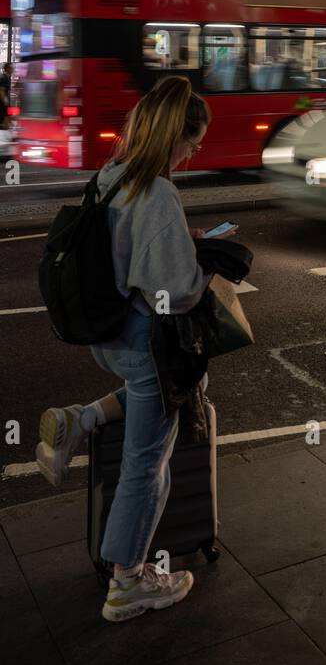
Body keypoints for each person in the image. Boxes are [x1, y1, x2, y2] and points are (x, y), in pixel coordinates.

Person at [34, 76, 221, 622]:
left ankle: (80, 420)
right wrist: (207, 263)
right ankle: (129, 582)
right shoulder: (158, 192)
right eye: (195, 142)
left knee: (167, 390)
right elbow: (176, 292)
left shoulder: (111, 177)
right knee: (147, 464)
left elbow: (130, 255)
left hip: (107, 338)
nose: (195, 152)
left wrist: (180, 246)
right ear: (175, 135)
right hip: (143, 338)